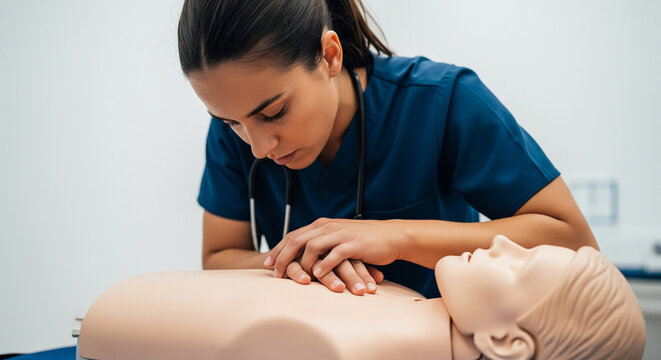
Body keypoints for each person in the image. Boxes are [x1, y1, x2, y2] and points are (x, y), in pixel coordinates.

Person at [177, 0, 599, 298]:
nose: (258, 148)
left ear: (329, 56)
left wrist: (396, 237)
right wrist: (301, 260)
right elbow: (218, 257)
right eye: (231, 123)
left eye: (274, 113)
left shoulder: (441, 102)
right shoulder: (239, 133)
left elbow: (573, 242)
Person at [77, 235, 645, 360]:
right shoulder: (422, 316)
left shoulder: (343, 350)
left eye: (520, 265)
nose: (498, 240)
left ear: (504, 340)